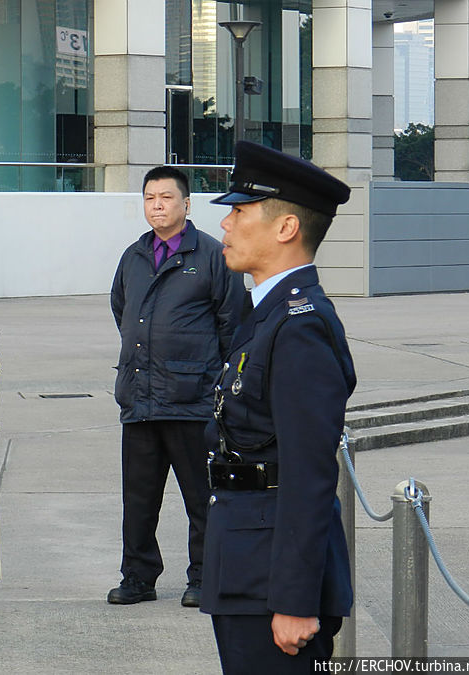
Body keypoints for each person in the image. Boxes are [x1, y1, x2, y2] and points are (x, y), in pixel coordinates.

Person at [200, 140, 355, 673]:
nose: (225, 225)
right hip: (247, 562)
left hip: (272, 581)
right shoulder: (267, 314)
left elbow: (310, 475)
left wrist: (293, 600)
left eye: (239, 212)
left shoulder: (299, 327)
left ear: (286, 227)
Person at [108, 166, 246, 607]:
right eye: (150, 198)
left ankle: (203, 576)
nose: (157, 206)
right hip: (141, 398)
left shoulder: (210, 254)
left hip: (192, 401)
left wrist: (212, 380)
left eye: (166, 198)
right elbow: (122, 311)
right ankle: (138, 577)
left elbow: (233, 324)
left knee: (201, 497)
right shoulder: (133, 256)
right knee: (139, 500)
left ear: (186, 205)